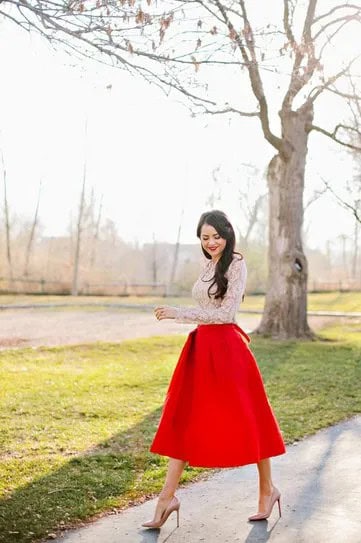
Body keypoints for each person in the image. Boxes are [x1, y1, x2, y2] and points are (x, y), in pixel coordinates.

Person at [142, 210, 286, 529]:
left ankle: (268, 490)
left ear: (227, 233)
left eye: (216, 236)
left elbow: (226, 313)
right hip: (201, 349)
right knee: (184, 419)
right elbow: (208, 308)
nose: (211, 243)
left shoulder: (236, 263)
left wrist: (178, 313)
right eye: (205, 238)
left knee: (251, 419)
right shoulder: (208, 265)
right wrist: (185, 316)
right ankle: (167, 498)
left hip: (228, 351)